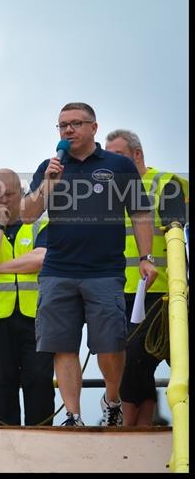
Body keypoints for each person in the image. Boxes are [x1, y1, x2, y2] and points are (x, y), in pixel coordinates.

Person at [21, 102, 157, 427]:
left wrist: (145, 257)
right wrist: (48, 183)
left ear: (93, 128)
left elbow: (139, 213)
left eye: (75, 124)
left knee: (110, 346)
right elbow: (27, 214)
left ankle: (112, 400)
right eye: (62, 126)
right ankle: (73, 415)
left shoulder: (118, 165)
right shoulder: (49, 166)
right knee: (62, 346)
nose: (68, 131)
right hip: (58, 271)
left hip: (105, 271)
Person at [105, 129, 189, 426]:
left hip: (160, 291)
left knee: (139, 358)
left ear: (137, 155)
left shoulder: (164, 184)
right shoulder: (109, 194)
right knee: (129, 362)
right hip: (118, 291)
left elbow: (176, 231)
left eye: (117, 155)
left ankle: (133, 427)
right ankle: (139, 427)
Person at [0, 168, 54, 426]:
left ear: (23, 192)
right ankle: (6, 448)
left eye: (11, 194)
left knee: (39, 383)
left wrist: (0, 269)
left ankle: (42, 448)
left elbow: (41, 258)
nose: (4, 200)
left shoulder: (42, 226)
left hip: (35, 319)